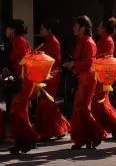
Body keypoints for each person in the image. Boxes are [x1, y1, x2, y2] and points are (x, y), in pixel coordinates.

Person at [63, 16, 107, 150]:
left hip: (88, 79)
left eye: (76, 26)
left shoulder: (88, 42)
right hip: (82, 77)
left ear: (82, 28)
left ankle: (97, 134)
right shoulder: (81, 41)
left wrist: (73, 64)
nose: (74, 28)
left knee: (83, 109)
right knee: (79, 109)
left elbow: (89, 62)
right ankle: (83, 138)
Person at [5, 19, 39, 155]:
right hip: (22, 80)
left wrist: (17, 77)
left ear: (13, 29)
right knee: (19, 112)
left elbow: (24, 65)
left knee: (17, 111)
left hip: (24, 81)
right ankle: (22, 142)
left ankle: (29, 138)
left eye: (7, 28)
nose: (5, 31)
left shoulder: (19, 42)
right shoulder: (16, 41)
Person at [35, 20, 71, 141]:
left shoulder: (53, 41)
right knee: (48, 103)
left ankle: (51, 131)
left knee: (47, 102)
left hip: (51, 75)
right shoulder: (48, 41)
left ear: (49, 30)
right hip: (48, 74)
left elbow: (54, 60)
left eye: (42, 29)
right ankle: (59, 128)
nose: (40, 31)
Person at [93, 17, 116, 138]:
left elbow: (105, 59)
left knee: (100, 103)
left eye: (99, 26)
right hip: (101, 74)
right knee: (102, 102)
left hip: (104, 75)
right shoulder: (105, 39)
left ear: (104, 29)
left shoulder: (107, 40)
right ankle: (111, 126)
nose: (97, 28)